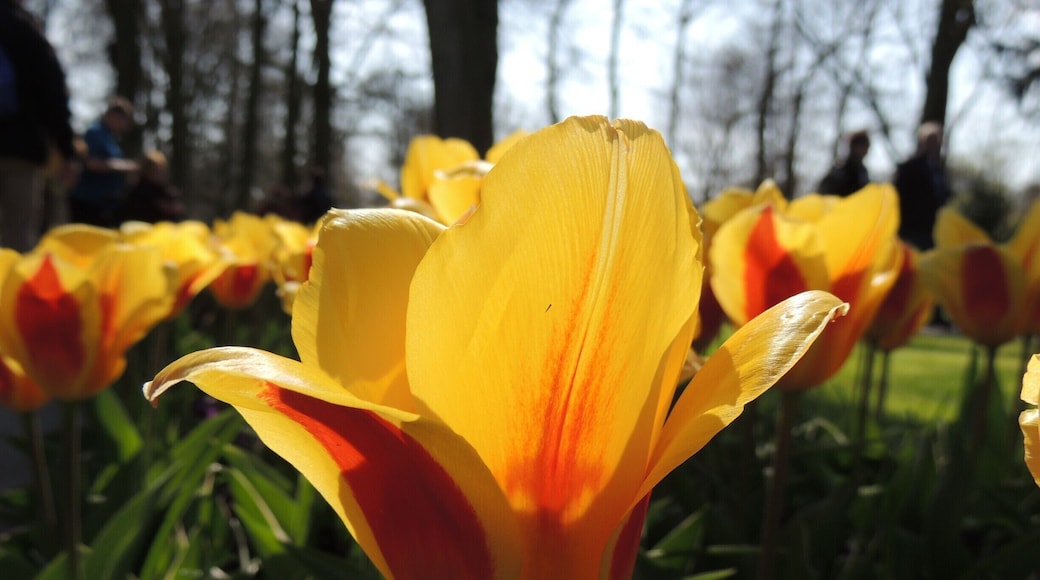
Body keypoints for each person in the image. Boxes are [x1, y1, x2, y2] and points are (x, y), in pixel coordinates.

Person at [0, 0, 77, 251]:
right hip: (19, 149)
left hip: (20, 145)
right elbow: (52, 93)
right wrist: (67, 151)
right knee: (17, 233)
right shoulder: (26, 32)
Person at [68, 97, 138, 228]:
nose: (125, 125)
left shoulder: (111, 138)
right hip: (88, 202)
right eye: (123, 120)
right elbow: (91, 163)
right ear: (112, 116)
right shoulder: (95, 133)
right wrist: (124, 167)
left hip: (105, 203)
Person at [894, 122, 952, 250]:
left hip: (935, 227)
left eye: (937, 139)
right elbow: (898, 196)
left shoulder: (938, 168)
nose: (935, 143)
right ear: (922, 142)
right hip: (914, 229)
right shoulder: (910, 167)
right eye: (930, 140)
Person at [118, 150, 185, 223]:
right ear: (145, 170)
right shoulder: (136, 191)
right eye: (154, 169)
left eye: (161, 169)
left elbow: (179, 214)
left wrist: (176, 209)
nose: (158, 172)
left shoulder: (169, 192)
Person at [817, 129, 871, 197]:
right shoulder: (842, 168)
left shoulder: (862, 171)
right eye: (865, 146)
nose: (867, 151)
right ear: (855, 146)